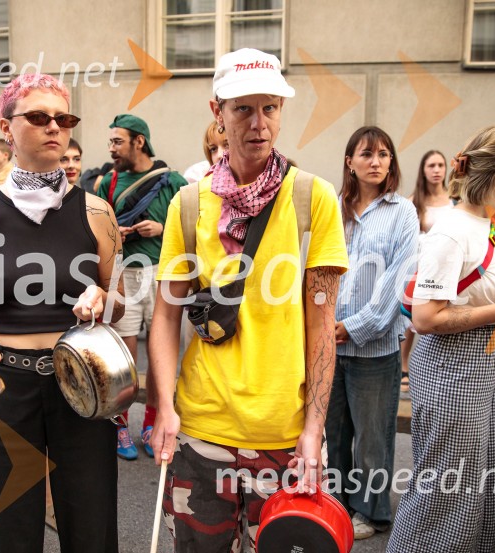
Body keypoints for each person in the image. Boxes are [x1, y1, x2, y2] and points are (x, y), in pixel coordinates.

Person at [149, 48, 348, 552]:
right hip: (201, 429)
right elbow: (166, 316)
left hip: (282, 433)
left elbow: (322, 326)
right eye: (243, 109)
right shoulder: (189, 203)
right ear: (217, 112)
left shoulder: (312, 199)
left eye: (271, 108)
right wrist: (164, 409)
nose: (258, 123)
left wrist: (314, 429)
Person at [0, 73, 124, 553]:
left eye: (63, 119)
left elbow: (118, 299)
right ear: (7, 127)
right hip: (4, 383)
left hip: (83, 381)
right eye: (38, 117)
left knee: (91, 527)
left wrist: (102, 299)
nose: (54, 128)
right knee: (14, 530)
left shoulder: (97, 212)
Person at [387, 126, 495, 553]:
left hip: (483, 373)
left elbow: (475, 288)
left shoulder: (489, 222)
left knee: (480, 492)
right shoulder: (453, 230)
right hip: (453, 376)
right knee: (443, 499)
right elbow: (425, 317)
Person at [326, 126, 418, 540]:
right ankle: (338, 505)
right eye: (367, 154)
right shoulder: (334, 207)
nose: (377, 162)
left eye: (384, 155)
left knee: (372, 438)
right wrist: (323, 325)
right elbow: (319, 267)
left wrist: (356, 326)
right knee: (334, 431)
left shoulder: (402, 212)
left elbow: (398, 279)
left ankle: (373, 512)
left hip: (374, 345)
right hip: (328, 341)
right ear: (350, 162)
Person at [96, 114, 186, 460]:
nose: (111, 148)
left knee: (160, 357)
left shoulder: (172, 181)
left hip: (163, 275)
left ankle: (151, 423)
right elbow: (99, 227)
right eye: (110, 142)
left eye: (117, 141)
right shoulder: (109, 181)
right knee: (125, 360)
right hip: (124, 276)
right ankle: (120, 426)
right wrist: (112, 234)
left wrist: (161, 229)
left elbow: (189, 223)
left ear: (139, 141)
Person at [400, 150, 452, 393]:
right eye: (431, 165)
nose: (437, 170)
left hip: (446, 268)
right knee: (411, 317)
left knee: (439, 315)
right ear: (423, 169)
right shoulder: (414, 200)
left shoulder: (455, 200)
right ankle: (404, 365)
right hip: (419, 266)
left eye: (441, 165)